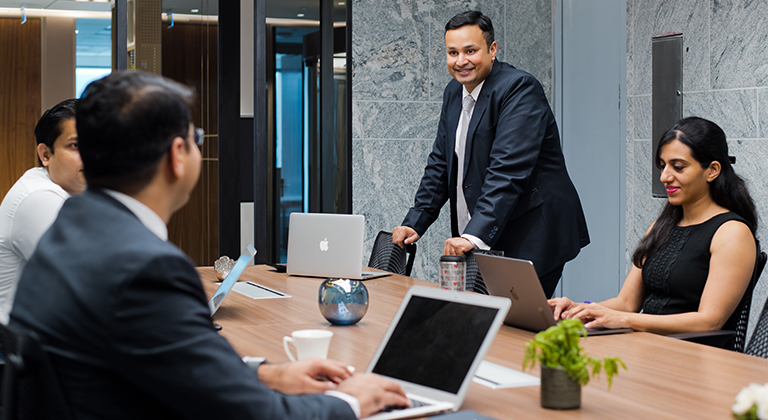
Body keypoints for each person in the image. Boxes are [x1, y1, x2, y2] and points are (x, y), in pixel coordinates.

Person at [9, 71, 408, 419]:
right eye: (195, 137)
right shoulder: (145, 268)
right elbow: (256, 414)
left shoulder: (70, 229)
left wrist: (262, 372)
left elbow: (155, 359)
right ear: (177, 155)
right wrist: (351, 403)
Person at [392, 11, 589, 297]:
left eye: (470, 51)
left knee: (514, 327)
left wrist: (473, 235)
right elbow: (441, 163)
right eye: (453, 52)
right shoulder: (453, 92)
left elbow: (507, 171)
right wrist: (416, 220)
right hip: (493, 229)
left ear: (492, 49)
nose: (461, 61)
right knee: (484, 320)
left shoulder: (519, 89)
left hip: (534, 230)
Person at [550, 117, 758, 335]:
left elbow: (709, 321)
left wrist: (625, 320)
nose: (665, 176)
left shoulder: (732, 233)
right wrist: (577, 310)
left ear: (712, 170)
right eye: (662, 165)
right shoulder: (662, 226)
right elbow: (626, 302)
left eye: (678, 167)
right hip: (647, 344)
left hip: (692, 355)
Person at [0, 99, 85, 324]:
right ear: (45, 154)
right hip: (16, 347)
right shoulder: (39, 197)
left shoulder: (70, 193)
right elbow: (85, 283)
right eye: (76, 145)